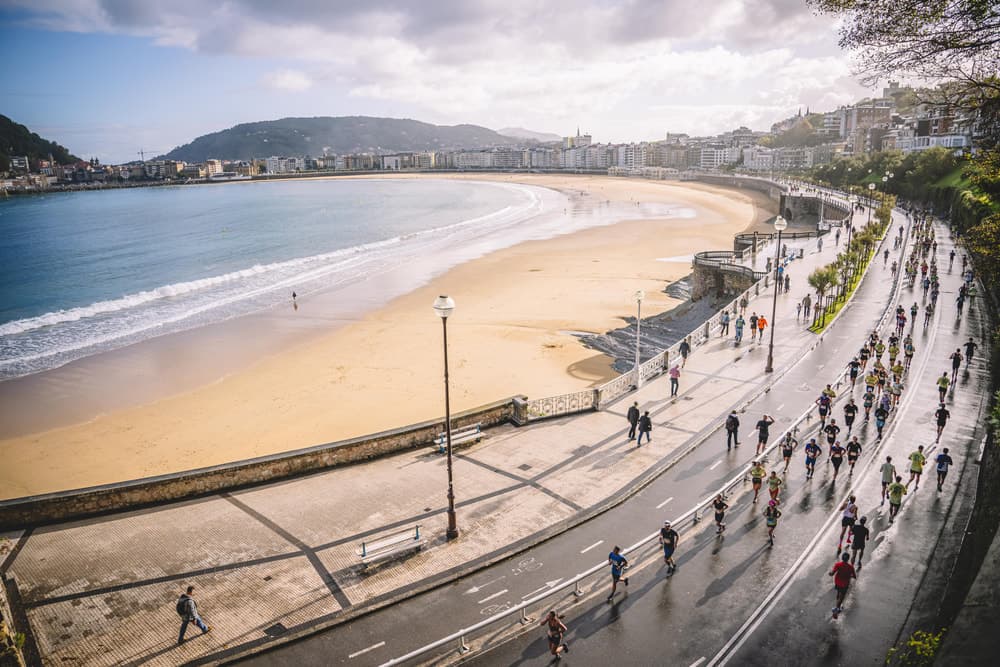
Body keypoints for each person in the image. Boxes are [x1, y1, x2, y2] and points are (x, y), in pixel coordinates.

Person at [829, 552, 857, 618]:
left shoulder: (838, 564)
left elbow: (832, 573)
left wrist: (830, 573)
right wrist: (849, 575)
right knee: (841, 598)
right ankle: (836, 611)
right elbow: (854, 576)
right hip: (845, 584)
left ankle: (838, 606)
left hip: (837, 582)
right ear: (848, 559)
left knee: (839, 593)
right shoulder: (850, 567)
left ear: (842, 558)